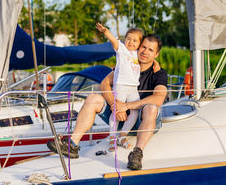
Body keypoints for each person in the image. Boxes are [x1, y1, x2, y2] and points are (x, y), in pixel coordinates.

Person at [47, 34, 168, 170]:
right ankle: (72, 145)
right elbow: (104, 84)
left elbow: (159, 98)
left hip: (143, 121)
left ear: (156, 54)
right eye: (143, 47)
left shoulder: (159, 73)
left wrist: (125, 106)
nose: (145, 52)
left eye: (151, 50)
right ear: (138, 48)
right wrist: (115, 106)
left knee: (151, 107)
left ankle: (137, 153)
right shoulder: (126, 64)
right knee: (93, 98)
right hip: (119, 116)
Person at [95, 22, 143, 151]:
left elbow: (148, 57)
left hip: (133, 88)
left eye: (134, 41)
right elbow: (114, 41)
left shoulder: (138, 54)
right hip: (121, 85)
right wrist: (106, 32)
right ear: (124, 40)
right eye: (128, 39)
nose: (131, 42)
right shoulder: (122, 50)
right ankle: (112, 137)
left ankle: (123, 135)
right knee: (116, 111)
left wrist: (155, 62)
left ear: (139, 43)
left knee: (135, 111)